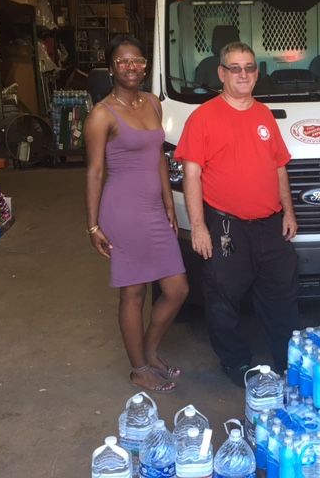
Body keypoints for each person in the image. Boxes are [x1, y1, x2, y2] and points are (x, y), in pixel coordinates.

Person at [174, 41, 299, 388]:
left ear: (257, 73)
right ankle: (235, 361)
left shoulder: (263, 115)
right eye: (235, 68)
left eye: (249, 68)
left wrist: (288, 211)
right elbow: (192, 174)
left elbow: (279, 168)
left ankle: (287, 361)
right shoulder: (203, 117)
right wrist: (198, 227)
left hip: (271, 224)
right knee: (222, 296)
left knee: (281, 294)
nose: (243, 74)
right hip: (226, 226)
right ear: (221, 74)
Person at [85, 34, 189, 393]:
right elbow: (95, 172)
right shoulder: (101, 115)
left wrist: (167, 203)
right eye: (124, 61)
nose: (132, 67)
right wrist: (93, 224)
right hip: (123, 211)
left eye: (138, 60)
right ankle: (139, 368)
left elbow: (158, 156)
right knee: (133, 294)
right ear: (112, 67)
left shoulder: (153, 103)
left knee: (177, 289)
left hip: (153, 209)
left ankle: (149, 349)